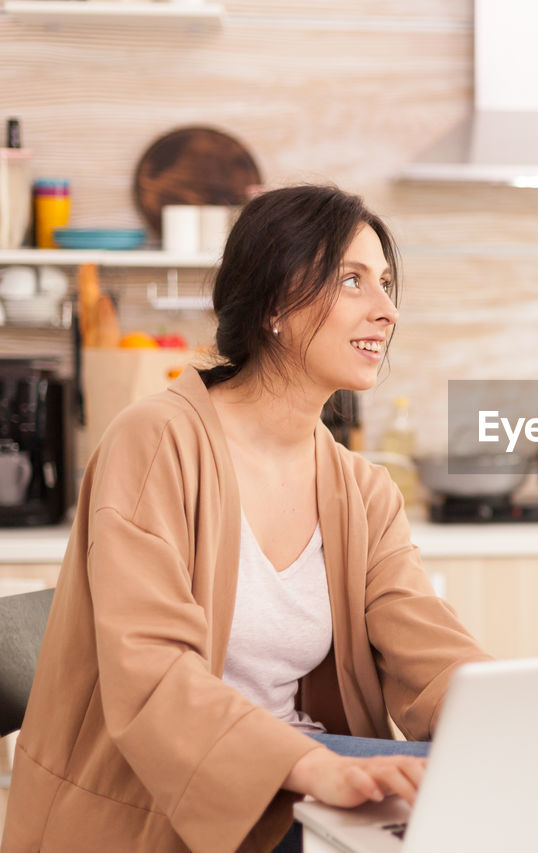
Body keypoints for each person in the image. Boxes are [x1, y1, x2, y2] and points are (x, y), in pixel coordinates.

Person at [2, 185, 492, 853]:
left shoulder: (363, 489)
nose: (388, 311)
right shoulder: (155, 441)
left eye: (385, 283)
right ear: (274, 302)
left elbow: (430, 656)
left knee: (497, 800)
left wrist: (512, 719)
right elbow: (153, 670)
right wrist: (319, 767)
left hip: (298, 774)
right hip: (164, 796)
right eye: (353, 281)